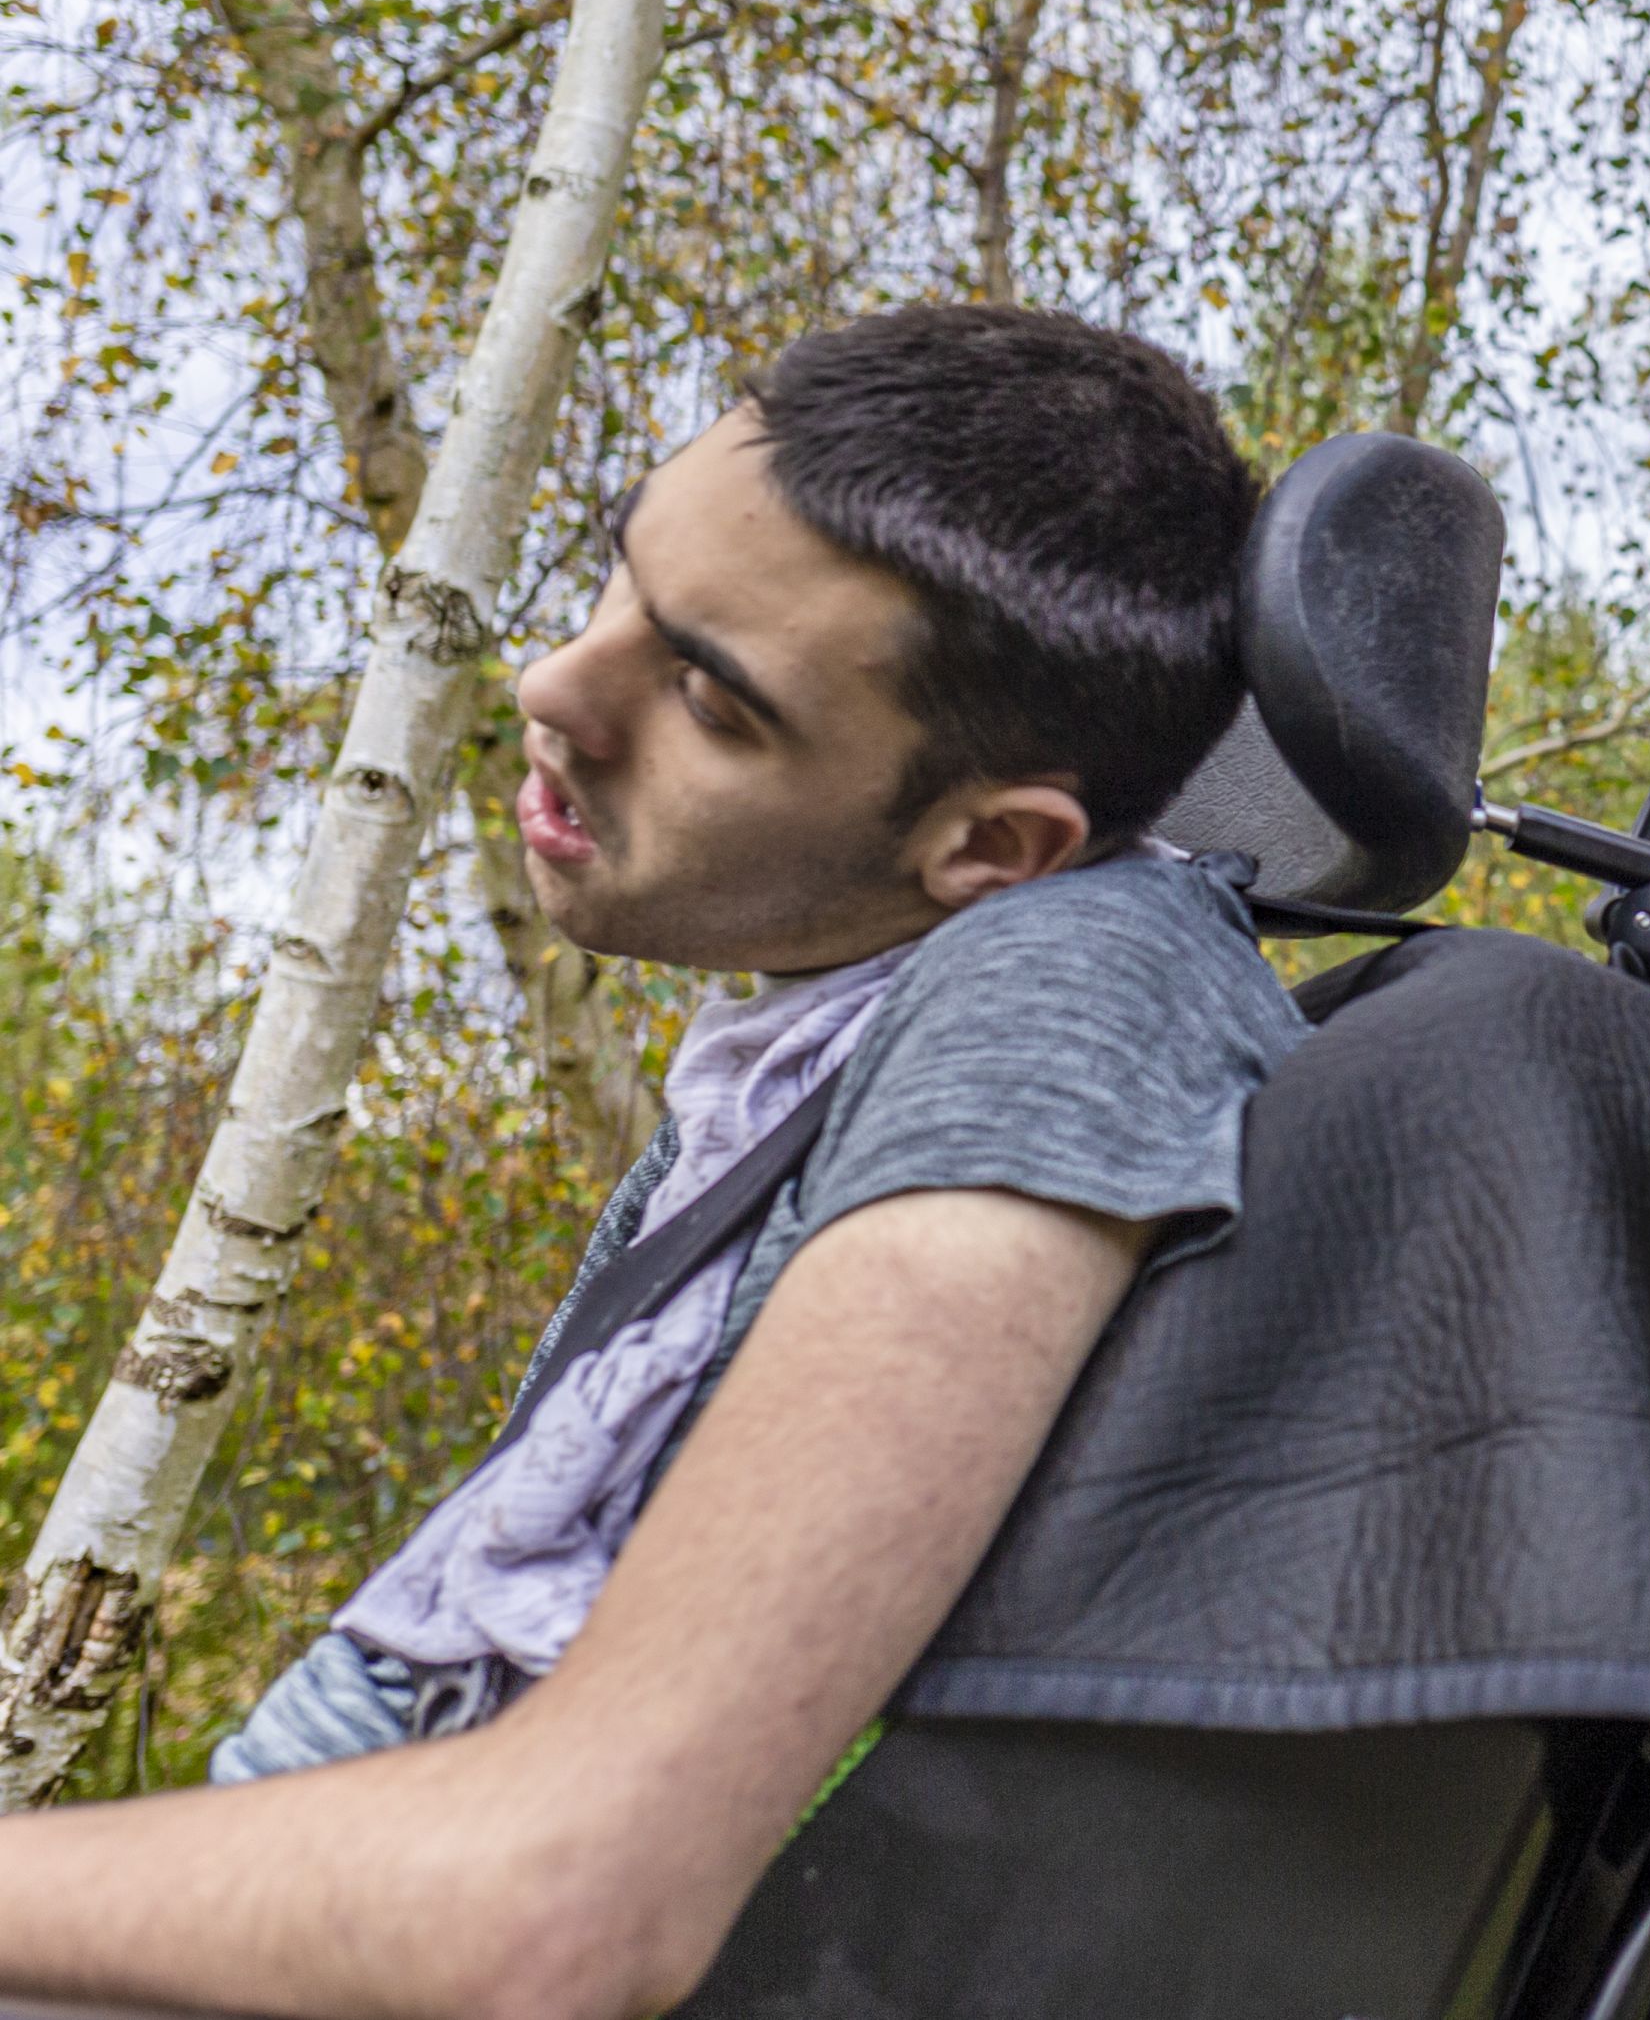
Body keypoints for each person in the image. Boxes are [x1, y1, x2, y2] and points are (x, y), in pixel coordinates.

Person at [0, 305, 1302, 2019]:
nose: (556, 684)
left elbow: (569, 1904)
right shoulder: (825, 1032)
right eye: (624, 576)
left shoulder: (1067, 987)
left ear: (990, 843)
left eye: (705, 694)